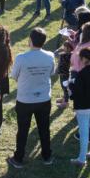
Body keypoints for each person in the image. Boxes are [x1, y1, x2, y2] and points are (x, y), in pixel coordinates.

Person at [7, 28, 57, 169]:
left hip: (25, 100)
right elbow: (52, 72)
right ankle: (47, 156)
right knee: (44, 128)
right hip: (44, 99)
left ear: (30, 40)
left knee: (23, 130)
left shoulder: (21, 58)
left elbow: (14, 76)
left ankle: (18, 158)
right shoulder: (50, 56)